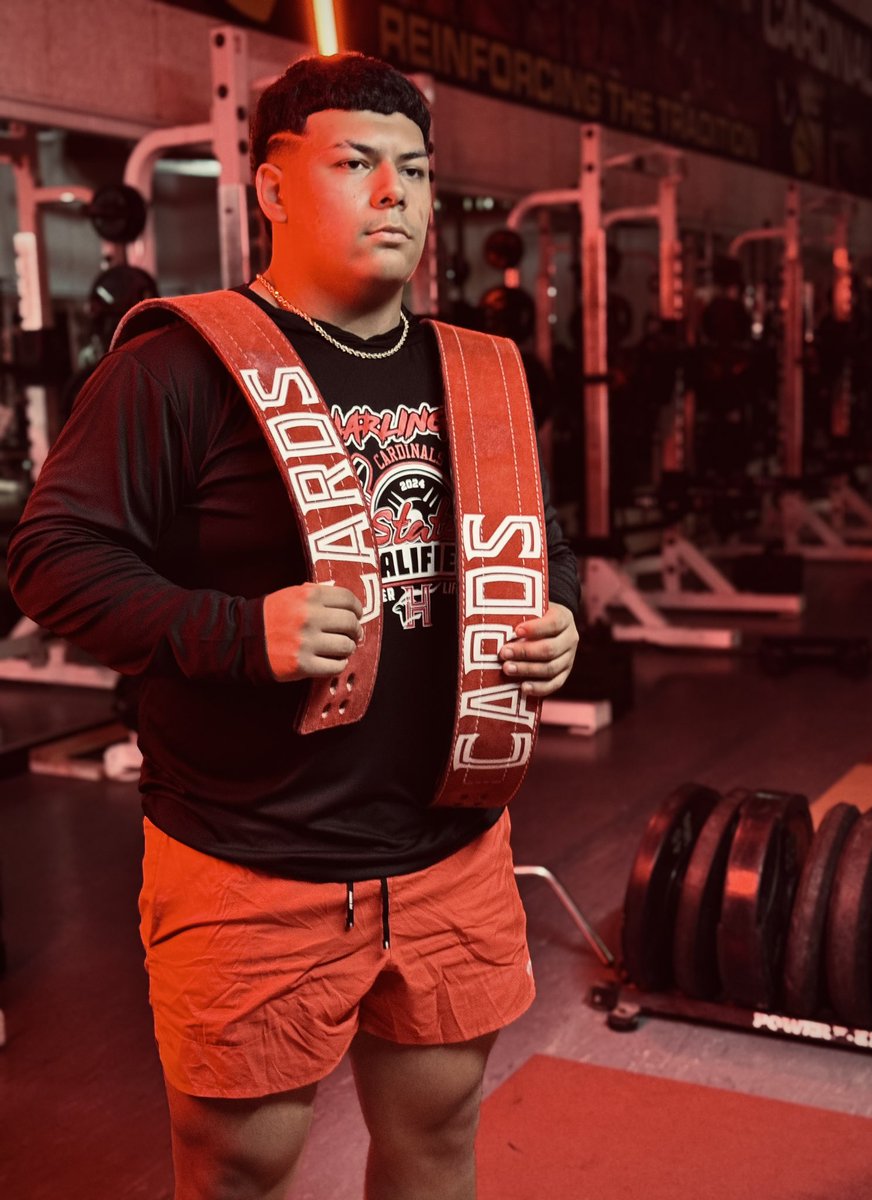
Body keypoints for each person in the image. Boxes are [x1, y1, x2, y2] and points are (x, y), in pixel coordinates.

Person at [7, 53, 580, 1200]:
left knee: (439, 1138)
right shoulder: (176, 368)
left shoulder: (477, 370)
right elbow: (48, 560)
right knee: (242, 1167)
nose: (395, 196)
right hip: (251, 860)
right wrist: (236, 632)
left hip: (449, 848)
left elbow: (528, 537)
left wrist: (553, 613)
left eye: (413, 171)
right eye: (357, 164)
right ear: (270, 189)